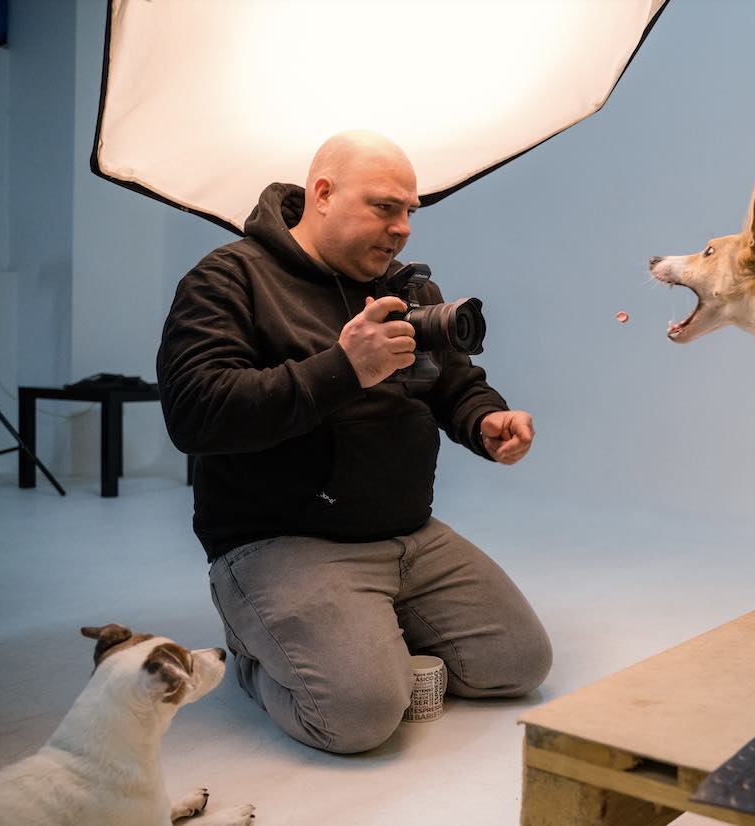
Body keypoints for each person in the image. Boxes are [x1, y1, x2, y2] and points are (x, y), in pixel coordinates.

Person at [156, 130, 552, 754]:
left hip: (407, 534)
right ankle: (255, 656)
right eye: (384, 207)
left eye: (409, 212)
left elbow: (454, 381)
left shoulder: (407, 286)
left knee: (519, 664)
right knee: (359, 717)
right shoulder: (228, 278)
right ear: (322, 193)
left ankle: (365, 629)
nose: (402, 228)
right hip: (280, 538)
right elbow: (196, 413)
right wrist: (344, 368)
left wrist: (486, 421)